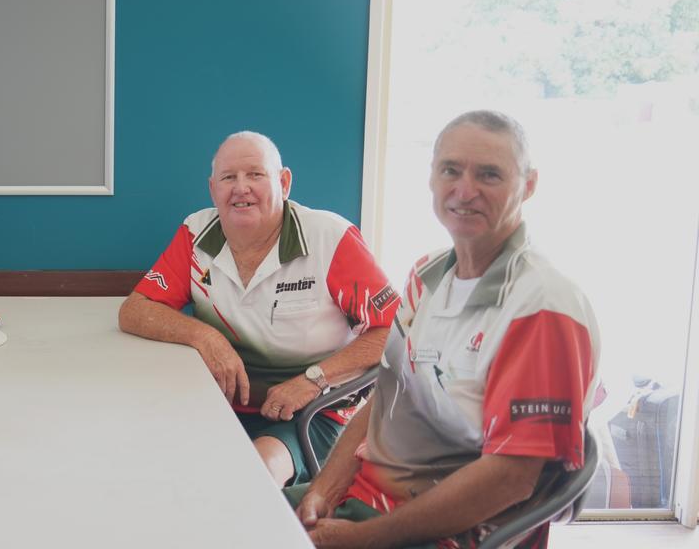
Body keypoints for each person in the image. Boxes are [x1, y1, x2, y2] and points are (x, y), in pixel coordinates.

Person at [287, 110, 600, 549]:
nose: (464, 190)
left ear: (528, 185)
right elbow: (391, 395)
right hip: (364, 506)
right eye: (450, 170)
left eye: (489, 175)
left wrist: (363, 539)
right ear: (432, 177)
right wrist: (324, 489)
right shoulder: (427, 275)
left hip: (435, 534)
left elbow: (510, 480)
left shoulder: (543, 308)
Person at [119, 131, 398, 486]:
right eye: (228, 178)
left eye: (255, 175)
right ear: (212, 189)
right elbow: (136, 309)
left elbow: (396, 331)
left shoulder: (330, 237)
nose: (241, 188)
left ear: (283, 182)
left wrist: (313, 379)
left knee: (255, 475)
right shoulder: (195, 232)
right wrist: (206, 337)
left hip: (312, 412)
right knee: (160, 467)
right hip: (215, 402)